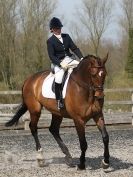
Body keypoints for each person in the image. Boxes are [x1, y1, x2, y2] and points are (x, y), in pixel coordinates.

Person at [47, 17, 84, 110]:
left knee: (82, 70)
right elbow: (51, 56)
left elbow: (74, 48)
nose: (58, 30)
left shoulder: (66, 36)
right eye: (56, 29)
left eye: (59, 28)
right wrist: (60, 64)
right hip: (59, 62)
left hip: (70, 59)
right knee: (59, 79)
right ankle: (59, 101)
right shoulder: (50, 41)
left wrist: (82, 58)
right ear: (52, 30)